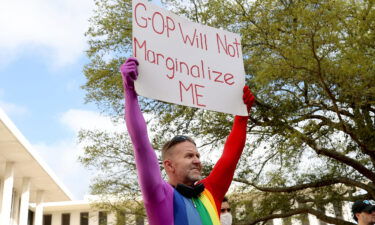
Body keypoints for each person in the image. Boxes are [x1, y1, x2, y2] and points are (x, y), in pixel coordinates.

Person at [120, 57, 255, 225]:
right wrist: (129, 91)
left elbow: (231, 156)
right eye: (189, 156)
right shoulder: (160, 196)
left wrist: (242, 117)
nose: (197, 160)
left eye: (197, 155)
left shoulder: (210, 192)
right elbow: (140, 143)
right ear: (169, 165)